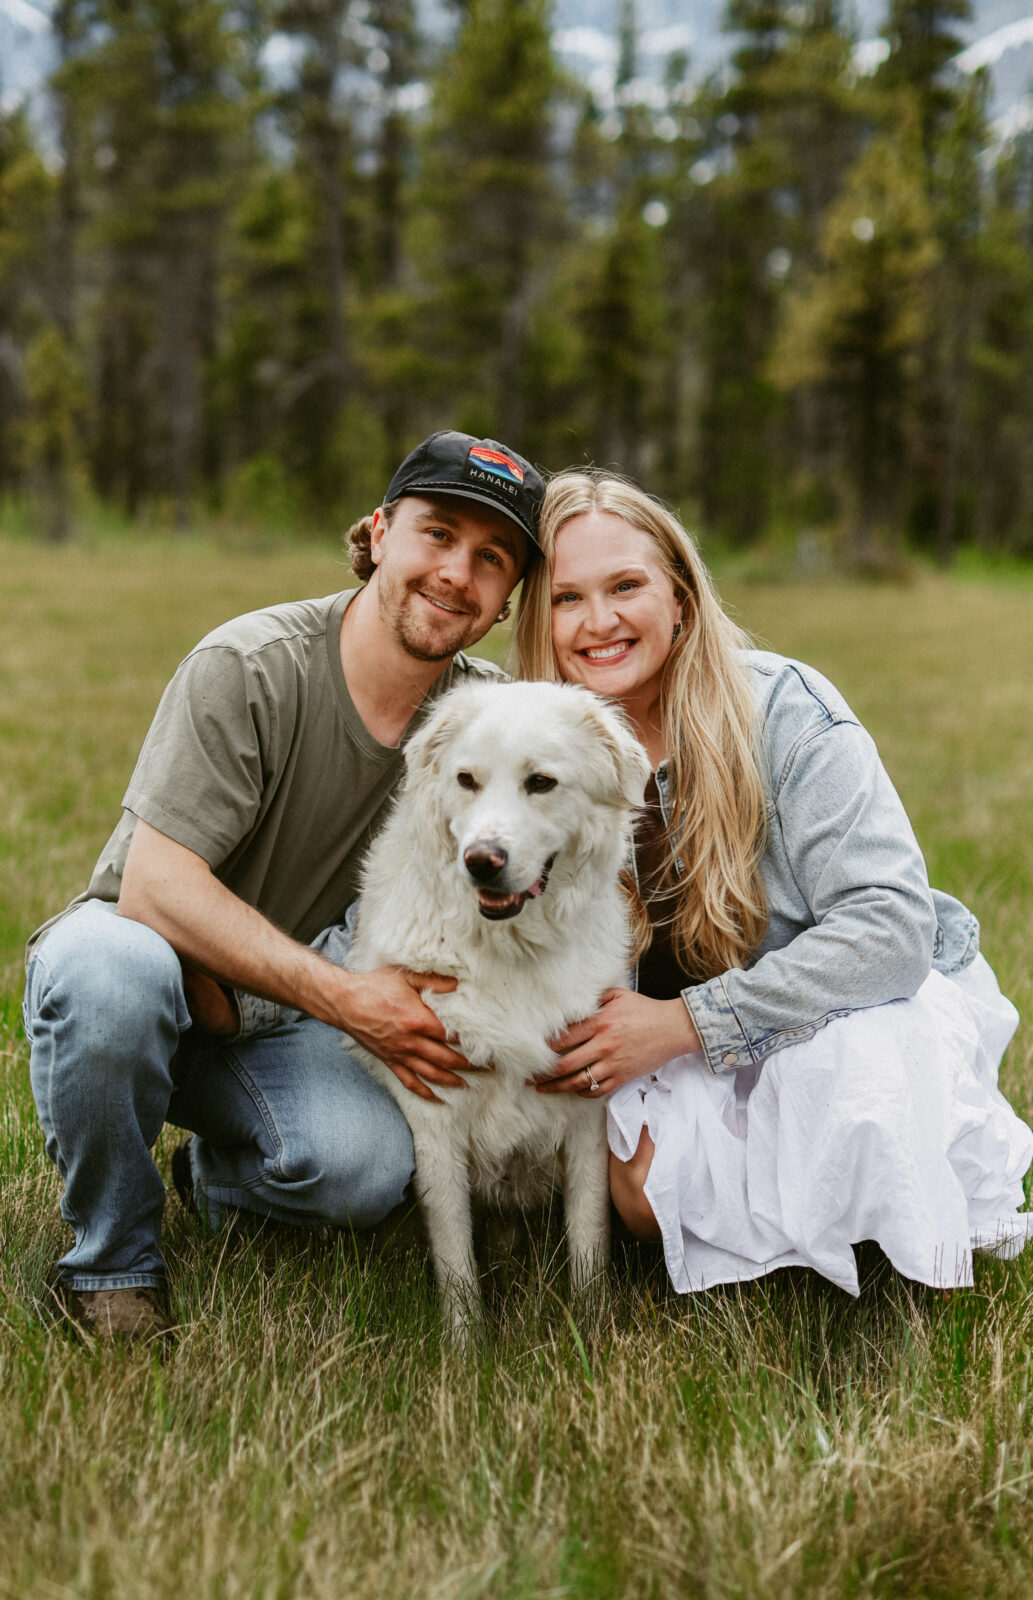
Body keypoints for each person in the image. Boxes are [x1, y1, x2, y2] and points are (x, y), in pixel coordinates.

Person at [24, 430, 545, 1339]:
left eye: (491, 557)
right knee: (107, 979)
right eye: (437, 534)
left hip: (282, 1019)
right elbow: (155, 890)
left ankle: (214, 1180)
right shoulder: (249, 665)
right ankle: (111, 1265)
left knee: (366, 1171)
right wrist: (351, 1000)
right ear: (379, 532)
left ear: (506, 598)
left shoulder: (486, 720)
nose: (457, 573)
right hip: (155, 977)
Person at [516, 470, 1033, 1295]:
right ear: (537, 618)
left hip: (835, 1002)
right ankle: (791, 1219)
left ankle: (870, 1242)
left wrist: (686, 1022)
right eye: (566, 598)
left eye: (625, 586)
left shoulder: (782, 707)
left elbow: (888, 929)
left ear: (679, 597)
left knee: (860, 1110)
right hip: (670, 1035)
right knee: (645, 1198)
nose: (599, 621)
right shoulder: (528, 743)